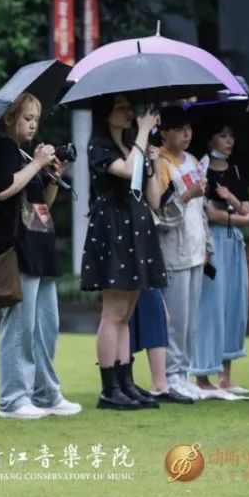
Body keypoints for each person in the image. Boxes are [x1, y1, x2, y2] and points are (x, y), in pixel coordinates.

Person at [0, 93, 81, 419]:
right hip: (17, 250)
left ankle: (45, 393)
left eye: (36, 119)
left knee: (45, 328)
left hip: (40, 248)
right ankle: (13, 400)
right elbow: (2, 190)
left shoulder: (25, 154)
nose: (32, 125)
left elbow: (42, 205)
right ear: (9, 118)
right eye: (27, 118)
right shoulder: (4, 150)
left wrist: (54, 175)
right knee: (20, 329)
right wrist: (37, 164)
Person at [80, 94, 166, 410]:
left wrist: (154, 162)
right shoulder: (99, 147)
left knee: (127, 314)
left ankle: (125, 382)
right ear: (105, 114)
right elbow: (129, 171)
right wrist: (143, 132)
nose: (129, 112)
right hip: (113, 229)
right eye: (121, 107)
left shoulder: (132, 145)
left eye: (129, 107)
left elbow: (154, 198)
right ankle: (109, 388)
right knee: (113, 312)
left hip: (135, 226)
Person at [149, 106, 209, 402]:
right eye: (179, 129)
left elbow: (201, 209)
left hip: (196, 249)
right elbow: (160, 213)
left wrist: (208, 245)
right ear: (164, 133)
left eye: (189, 128)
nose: (187, 134)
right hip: (173, 251)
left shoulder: (194, 161)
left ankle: (183, 373)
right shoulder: (160, 164)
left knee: (191, 320)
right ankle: (170, 375)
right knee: (176, 319)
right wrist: (187, 195)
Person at [193, 122, 249, 395]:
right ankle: (202, 377)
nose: (229, 141)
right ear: (210, 142)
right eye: (222, 135)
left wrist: (232, 204)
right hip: (212, 243)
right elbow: (210, 214)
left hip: (234, 244)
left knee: (234, 305)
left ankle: (225, 377)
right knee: (211, 307)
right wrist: (237, 216)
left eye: (231, 136)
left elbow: (248, 213)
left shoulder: (236, 170)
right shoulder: (201, 171)